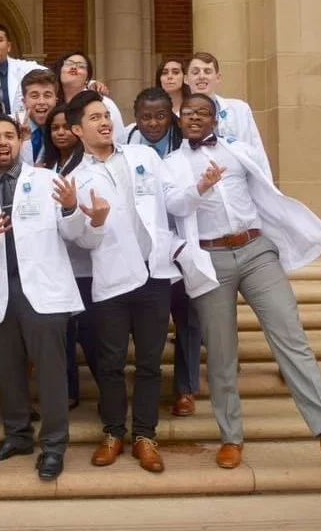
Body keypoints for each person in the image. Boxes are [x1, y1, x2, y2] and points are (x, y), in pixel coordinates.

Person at [163, 93, 321, 469]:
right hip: (210, 259)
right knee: (221, 353)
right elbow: (173, 206)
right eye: (188, 113)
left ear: (215, 119)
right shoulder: (170, 164)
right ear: (180, 120)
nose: (195, 118)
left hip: (255, 250)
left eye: (203, 112)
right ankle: (230, 437)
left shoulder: (239, 151)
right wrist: (200, 187)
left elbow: (266, 188)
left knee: (291, 336)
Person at [62, 91, 179, 474]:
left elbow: (173, 200)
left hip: (154, 275)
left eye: (105, 115)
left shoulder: (144, 157)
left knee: (148, 363)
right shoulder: (74, 180)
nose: (104, 122)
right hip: (111, 280)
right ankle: (113, 433)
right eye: (93, 118)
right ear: (78, 129)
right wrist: (93, 220)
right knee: (110, 364)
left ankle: (145, 436)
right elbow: (80, 241)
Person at [0, 114, 85, 481]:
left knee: (51, 372)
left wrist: (70, 207)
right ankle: (17, 435)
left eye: (8, 135)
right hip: (0, 290)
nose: (2, 142)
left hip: (43, 290)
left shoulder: (47, 179)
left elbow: (72, 233)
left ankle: (53, 446)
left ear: (21, 140)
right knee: (7, 370)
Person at [125, 87, 197, 417]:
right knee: (146, 319)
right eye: (145, 117)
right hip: (142, 246)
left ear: (172, 115)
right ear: (135, 117)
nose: (152, 123)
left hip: (182, 241)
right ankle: (148, 381)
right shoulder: (125, 143)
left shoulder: (187, 144)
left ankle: (185, 388)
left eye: (160, 116)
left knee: (187, 316)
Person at [40, 105, 94, 409]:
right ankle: (69, 392)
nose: (60, 133)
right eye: (54, 128)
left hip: (84, 265)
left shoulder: (88, 164)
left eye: (65, 127)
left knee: (89, 334)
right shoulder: (43, 165)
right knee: (62, 335)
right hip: (55, 265)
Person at [184, 52, 271, 180]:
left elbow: (257, 153)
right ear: (186, 79)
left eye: (207, 71)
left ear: (218, 77)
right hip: (198, 184)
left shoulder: (239, 109)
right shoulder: (179, 116)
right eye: (195, 72)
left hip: (236, 184)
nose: (201, 76)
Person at [51, 51, 126, 144]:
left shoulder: (102, 103)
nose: (74, 67)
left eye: (81, 66)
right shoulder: (52, 102)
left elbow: (118, 138)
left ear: (87, 78)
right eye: (68, 64)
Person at [18, 69, 58, 165]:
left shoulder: (62, 130)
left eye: (47, 95)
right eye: (34, 96)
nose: (41, 102)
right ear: (24, 102)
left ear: (56, 100)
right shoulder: (10, 127)